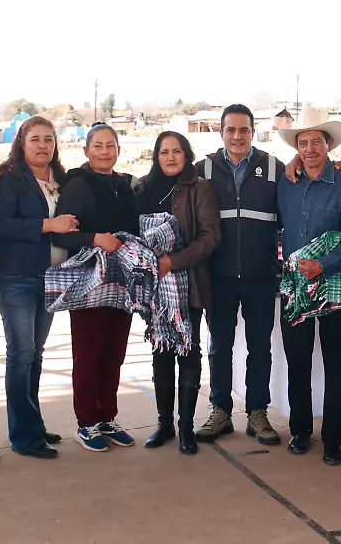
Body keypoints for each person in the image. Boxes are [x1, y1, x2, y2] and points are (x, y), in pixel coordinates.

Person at [193, 104, 286, 445]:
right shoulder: (201, 169)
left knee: (259, 347)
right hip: (218, 277)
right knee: (219, 346)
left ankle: (258, 413)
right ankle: (219, 410)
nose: (237, 136)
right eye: (230, 130)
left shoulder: (275, 169)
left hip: (261, 276)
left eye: (243, 130)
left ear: (253, 132)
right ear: (221, 132)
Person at [0, 116, 78, 460]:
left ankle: (33, 423)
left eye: (49, 139)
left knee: (35, 355)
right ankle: (23, 436)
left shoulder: (62, 179)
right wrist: (49, 224)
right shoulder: (7, 178)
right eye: (35, 139)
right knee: (21, 353)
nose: (42, 145)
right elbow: (1, 224)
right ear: (21, 143)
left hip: (51, 277)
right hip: (15, 277)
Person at [276, 108, 341, 466]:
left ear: (328, 145)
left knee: (337, 365)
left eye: (316, 142)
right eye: (303, 143)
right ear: (297, 148)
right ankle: (300, 430)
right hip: (295, 287)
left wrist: (323, 264)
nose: (310, 148)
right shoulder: (286, 182)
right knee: (297, 361)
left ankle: (332, 439)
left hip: (333, 285)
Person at [53, 123, 140, 452]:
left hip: (121, 281)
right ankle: (86, 420)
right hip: (89, 281)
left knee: (114, 353)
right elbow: (62, 232)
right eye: (98, 146)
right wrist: (95, 239)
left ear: (118, 150)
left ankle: (107, 416)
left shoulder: (124, 185)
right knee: (89, 352)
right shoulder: (78, 185)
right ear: (86, 150)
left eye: (110, 146)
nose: (105, 151)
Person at [135, 131, 221, 455]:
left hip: (191, 284)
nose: (170, 157)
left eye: (176, 151)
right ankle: (164, 424)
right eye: (163, 152)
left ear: (187, 154)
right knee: (160, 352)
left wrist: (173, 260)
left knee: (188, 351)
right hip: (155, 286)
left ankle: (186, 427)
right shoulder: (144, 188)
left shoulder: (200, 189)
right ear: (156, 156)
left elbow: (210, 237)